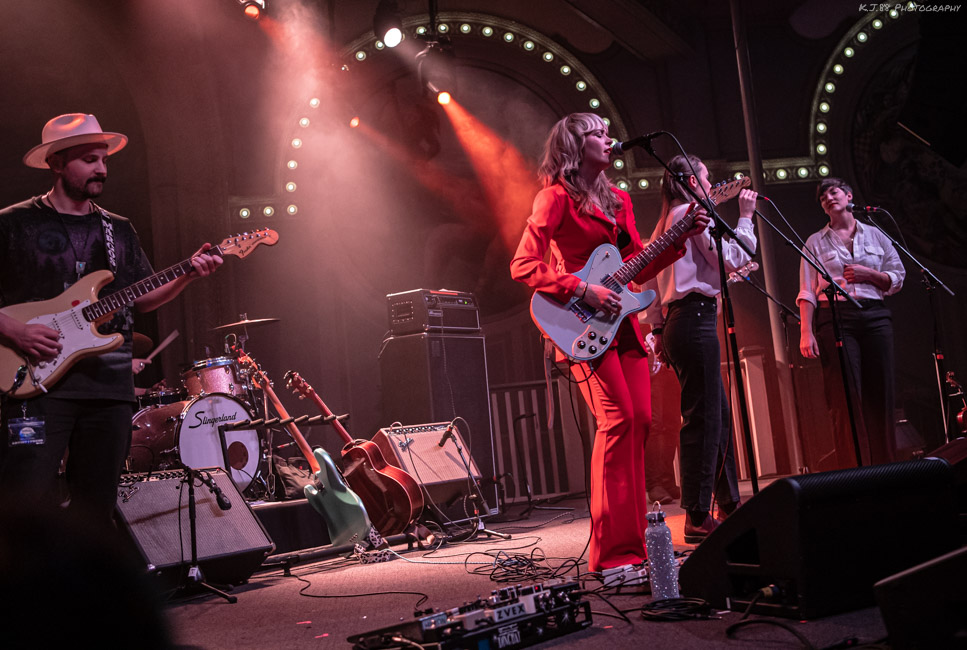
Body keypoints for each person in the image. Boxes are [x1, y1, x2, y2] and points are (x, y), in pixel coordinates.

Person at [0, 113, 222, 527]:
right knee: (24, 500)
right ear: (56, 163)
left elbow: (142, 298)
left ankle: (90, 589)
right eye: (88, 159)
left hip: (109, 385)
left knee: (96, 507)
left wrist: (189, 273)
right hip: (38, 385)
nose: (101, 168)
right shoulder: (14, 222)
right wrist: (15, 330)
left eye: (103, 159)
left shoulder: (116, 229)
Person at [510, 113, 709, 571]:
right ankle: (612, 554)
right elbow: (523, 265)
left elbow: (637, 266)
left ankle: (635, 547)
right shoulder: (554, 198)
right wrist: (582, 289)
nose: (608, 138)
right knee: (617, 422)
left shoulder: (619, 200)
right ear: (574, 146)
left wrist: (679, 240)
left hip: (621, 324)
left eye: (606, 131)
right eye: (597, 133)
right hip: (579, 323)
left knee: (639, 421)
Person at [644, 154, 757, 544]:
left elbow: (658, 286)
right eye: (707, 178)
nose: (711, 186)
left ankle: (726, 504)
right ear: (690, 181)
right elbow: (729, 258)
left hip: (684, 321)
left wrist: (659, 331)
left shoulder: (668, 218)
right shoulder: (688, 214)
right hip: (693, 320)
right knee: (704, 419)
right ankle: (695, 514)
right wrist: (745, 216)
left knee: (717, 418)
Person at [797, 177, 904, 466]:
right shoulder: (815, 241)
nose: (828, 198)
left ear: (848, 196)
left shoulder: (877, 234)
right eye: (822, 197)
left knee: (880, 392)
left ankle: (887, 467)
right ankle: (854, 468)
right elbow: (807, 290)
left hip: (875, 314)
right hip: (836, 316)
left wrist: (869, 275)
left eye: (833, 192)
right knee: (844, 395)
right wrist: (806, 331)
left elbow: (897, 276)